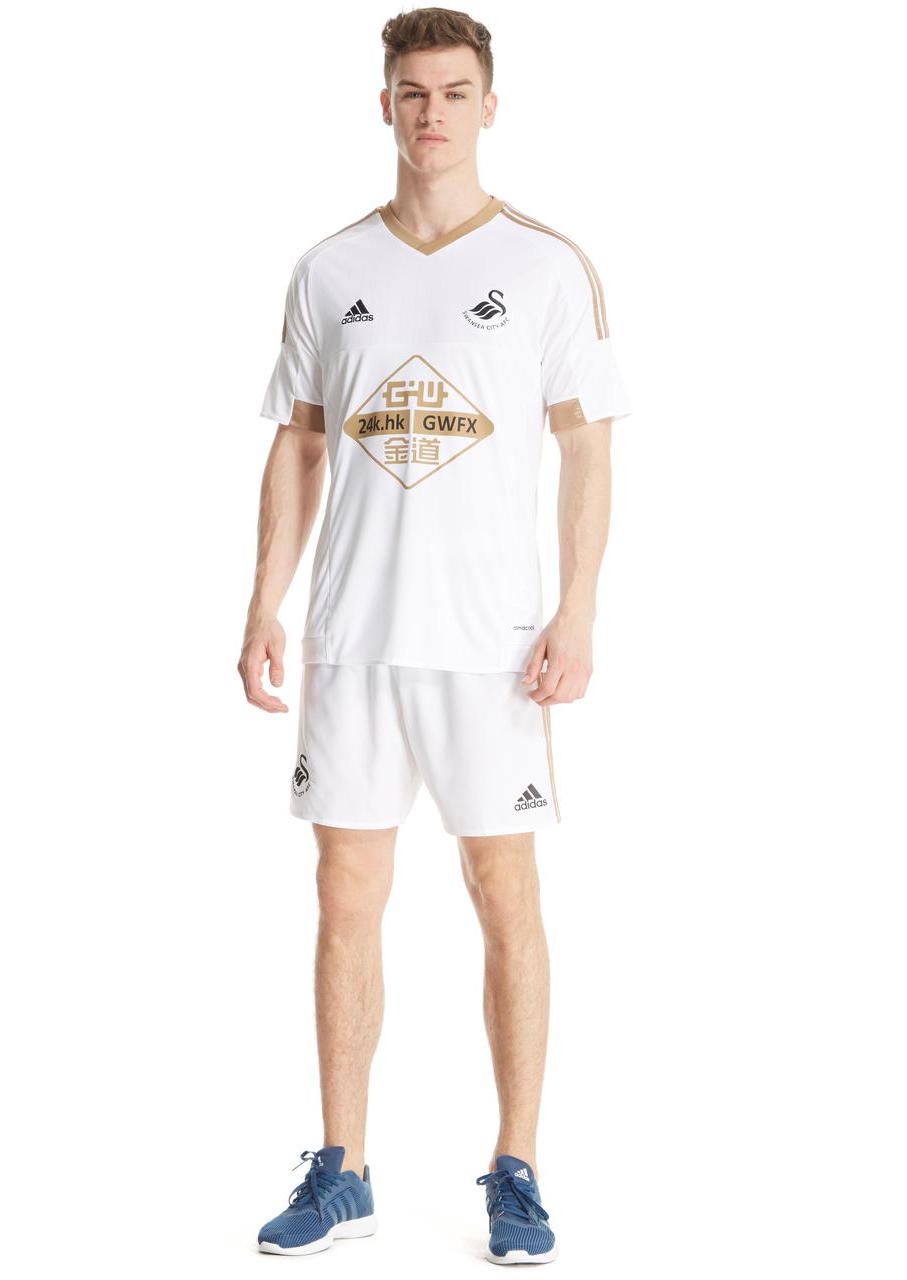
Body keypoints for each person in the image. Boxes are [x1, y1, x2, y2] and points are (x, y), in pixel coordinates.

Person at [238, 7, 631, 1264]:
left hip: (490, 644)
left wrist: (578, 609)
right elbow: (300, 444)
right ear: (386, 105)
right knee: (343, 896)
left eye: (455, 93)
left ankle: (518, 1166)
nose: (433, 115)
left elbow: (586, 447)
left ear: (489, 106)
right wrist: (263, 601)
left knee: (503, 891)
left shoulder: (547, 266)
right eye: (413, 93)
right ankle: (342, 1165)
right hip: (355, 635)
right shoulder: (329, 268)